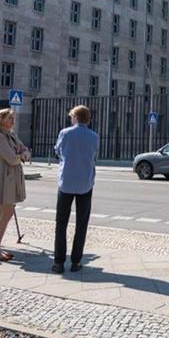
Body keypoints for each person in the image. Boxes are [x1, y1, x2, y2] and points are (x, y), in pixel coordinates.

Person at [52, 105, 99, 273]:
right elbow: (93, 155)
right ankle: (76, 261)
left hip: (66, 183)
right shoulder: (94, 136)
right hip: (85, 184)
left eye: (71, 116)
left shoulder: (65, 133)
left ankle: (58, 262)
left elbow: (58, 151)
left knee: (61, 222)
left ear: (75, 118)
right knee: (81, 223)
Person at [0, 108, 30, 262]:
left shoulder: (11, 134)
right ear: (1, 120)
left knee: (5, 214)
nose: (13, 121)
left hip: (12, 176)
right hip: (5, 177)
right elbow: (12, 158)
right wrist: (21, 155)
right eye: (10, 118)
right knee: (6, 214)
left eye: (13, 118)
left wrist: (23, 154)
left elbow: (25, 150)